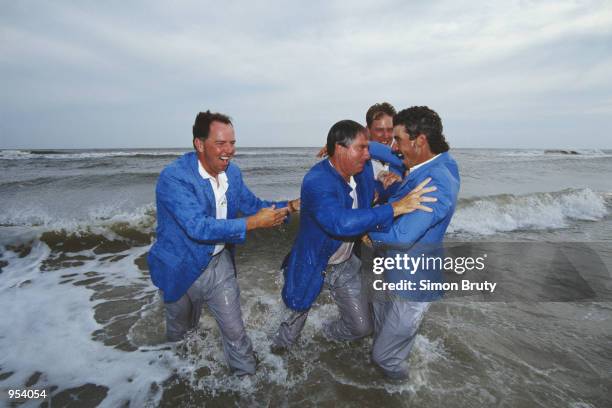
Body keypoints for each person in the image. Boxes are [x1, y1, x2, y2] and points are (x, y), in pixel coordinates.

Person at [147, 110, 299, 376]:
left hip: (219, 265)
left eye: (232, 143)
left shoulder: (232, 174)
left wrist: (290, 207)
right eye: (221, 143)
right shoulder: (174, 178)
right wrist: (253, 224)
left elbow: (253, 206)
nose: (229, 150)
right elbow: (198, 226)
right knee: (180, 336)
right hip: (179, 267)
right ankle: (173, 383)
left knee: (235, 332)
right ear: (199, 143)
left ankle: (247, 387)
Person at [272, 119, 437, 349]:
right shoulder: (316, 180)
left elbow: (378, 187)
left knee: (361, 328)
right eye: (362, 148)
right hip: (311, 263)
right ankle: (275, 364)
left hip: (344, 263)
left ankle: (322, 335)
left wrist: (394, 184)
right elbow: (340, 223)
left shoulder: (361, 172)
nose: (368, 154)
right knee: (287, 339)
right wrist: (395, 208)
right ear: (340, 149)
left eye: (368, 148)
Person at [367, 106, 460, 380]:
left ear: (419, 141)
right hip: (396, 270)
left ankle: (400, 392)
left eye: (399, 139)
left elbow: (403, 235)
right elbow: (402, 175)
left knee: (384, 356)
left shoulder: (436, 182)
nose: (394, 147)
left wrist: (367, 233)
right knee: (383, 333)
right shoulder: (441, 163)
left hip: (413, 282)